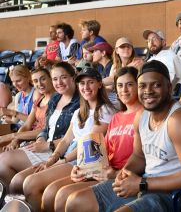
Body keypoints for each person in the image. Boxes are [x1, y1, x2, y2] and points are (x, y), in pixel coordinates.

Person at [65, 60, 181, 212]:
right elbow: (139, 156)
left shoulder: (179, 120)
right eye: (142, 86)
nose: (148, 91)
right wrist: (124, 173)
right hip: (145, 184)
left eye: (156, 85)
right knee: (76, 201)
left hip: (172, 195)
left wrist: (142, 183)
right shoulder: (142, 116)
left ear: (169, 87)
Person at [41, 67, 143, 212]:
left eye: (130, 84)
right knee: (55, 193)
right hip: (103, 171)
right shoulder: (117, 117)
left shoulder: (143, 115)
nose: (124, 90)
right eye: (120, 85)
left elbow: (142, 157)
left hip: (123, 175)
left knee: (67, 197)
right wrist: (82, 169)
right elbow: (100, 150)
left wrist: (115, 173)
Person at [22, 67, 114, 211]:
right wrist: (52, 159)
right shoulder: (79, 111)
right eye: (82, 84)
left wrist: (63, 161)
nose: (86, 87)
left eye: (90, 82)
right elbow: (66, 140)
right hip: (70, 156)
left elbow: (88, 145)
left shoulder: (105, 110)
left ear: (100, 84)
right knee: (29, 183)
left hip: (85, 160)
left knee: (36, 185)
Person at [0, 62, 79, 191]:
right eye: (55, 79)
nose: (59, 82)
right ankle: (15, 202)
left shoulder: (80, 102)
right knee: (2, 162)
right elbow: (45, 129)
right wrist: (41, 138)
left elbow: (73, 139)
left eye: (63, 77)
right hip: (45, 146)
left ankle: (22, 201)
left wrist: (49, 145)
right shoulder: (55, 99)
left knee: (17, 181)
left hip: (60, 151)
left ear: (73, 77)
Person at [0, 68, 55, 151]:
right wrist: (15, 141)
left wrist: (14, 136)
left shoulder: (39, 94)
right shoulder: (22, 96)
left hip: (39, 138)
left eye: (18, 80)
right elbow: (26, 124)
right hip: (24, 133)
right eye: (13, 82)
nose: (15, 84)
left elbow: (46, 128)